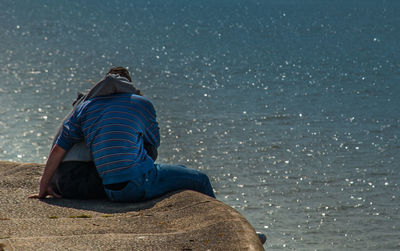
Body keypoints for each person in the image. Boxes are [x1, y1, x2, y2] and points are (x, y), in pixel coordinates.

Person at [29, 67, 215, 201]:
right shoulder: (143, 103)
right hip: (138, 183)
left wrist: (43, 188)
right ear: (129, 85)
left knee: (180, 168)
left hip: (110, 189)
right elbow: (153, 143)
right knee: (200, 179)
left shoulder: (84, 107)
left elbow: (57, 150)